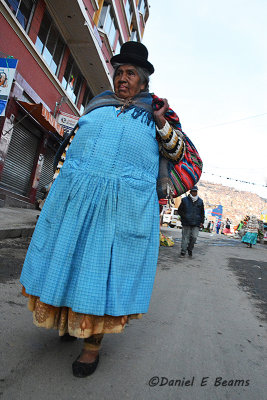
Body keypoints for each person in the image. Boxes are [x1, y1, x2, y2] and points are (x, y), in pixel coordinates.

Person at [19, 42, 188, 378]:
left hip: (121, 210)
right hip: (76, 203)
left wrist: (160, 122)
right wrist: (55, 191)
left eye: (130, 74)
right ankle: (69, 321)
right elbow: (69, 154)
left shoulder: (156, 115)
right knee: (69, 260)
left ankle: (91, 346)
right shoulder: (97, 106)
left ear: (143, 81)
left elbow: (178, 151)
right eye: (119, 72)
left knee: (100, 274)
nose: (122, 79)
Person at [178, 186, 204, 257]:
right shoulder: (184, 200)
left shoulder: (200, 201)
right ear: (190, 192)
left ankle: (190, 249)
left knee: (194, 237)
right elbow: (179, 210)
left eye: (196, 191)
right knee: (185, 238)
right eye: (193, 191)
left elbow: (202, 213)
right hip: (186, 222)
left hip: (196, 223)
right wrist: (184, 216)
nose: (194, 192)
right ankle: (183, 251)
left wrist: (202, 222)